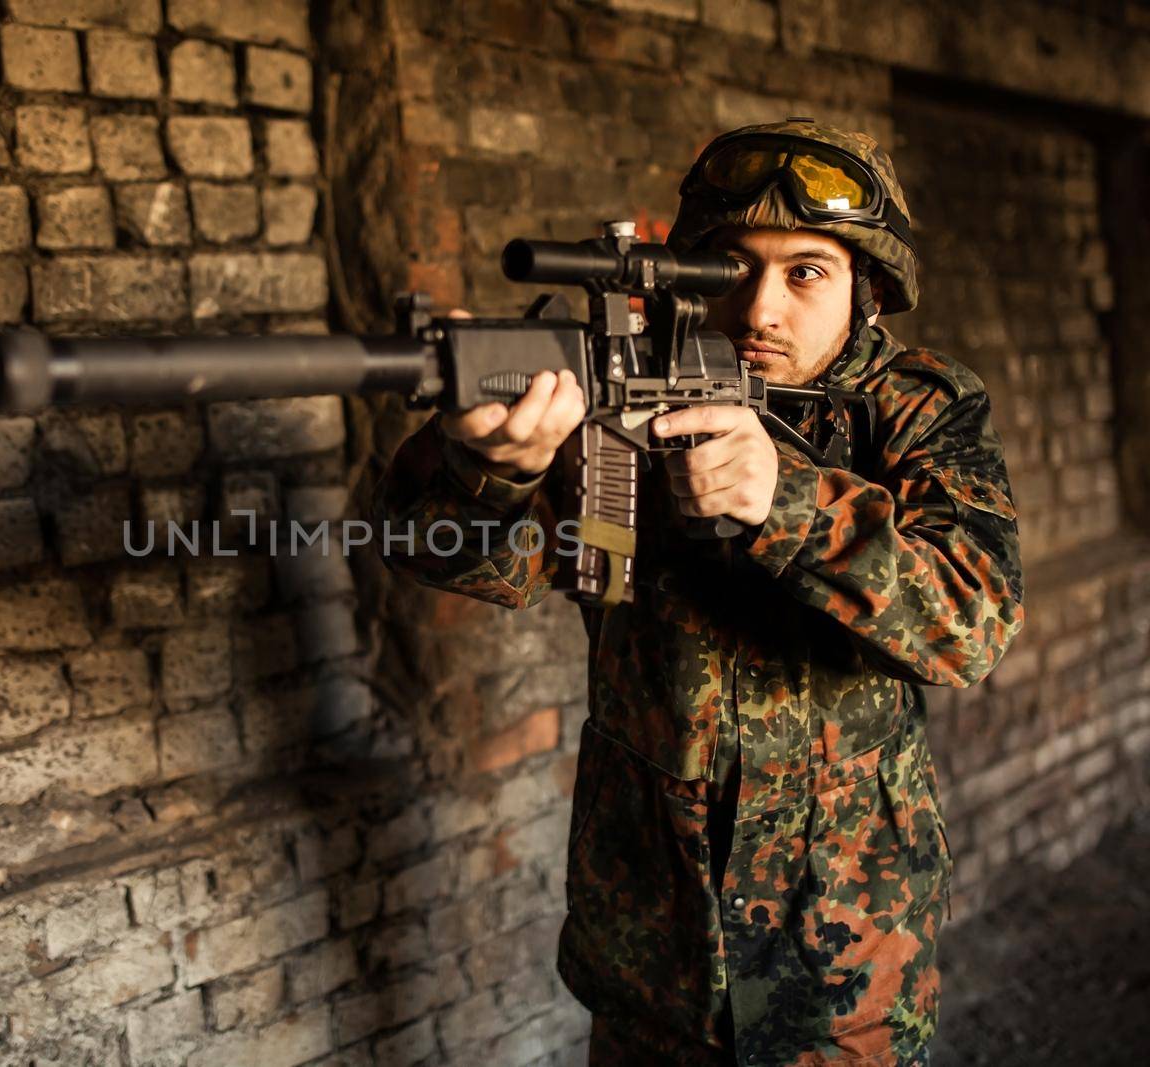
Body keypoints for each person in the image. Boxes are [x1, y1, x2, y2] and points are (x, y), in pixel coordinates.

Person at [371, 119, 1025, 1066]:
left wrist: (789, 501)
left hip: (843, 953)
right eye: (729, 269)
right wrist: (490, 471)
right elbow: (461, 559)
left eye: (807, 272)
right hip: (651, 944)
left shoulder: (917, 406)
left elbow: (974, 622)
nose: (761, 308)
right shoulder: (628, 397)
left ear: (869, 290)